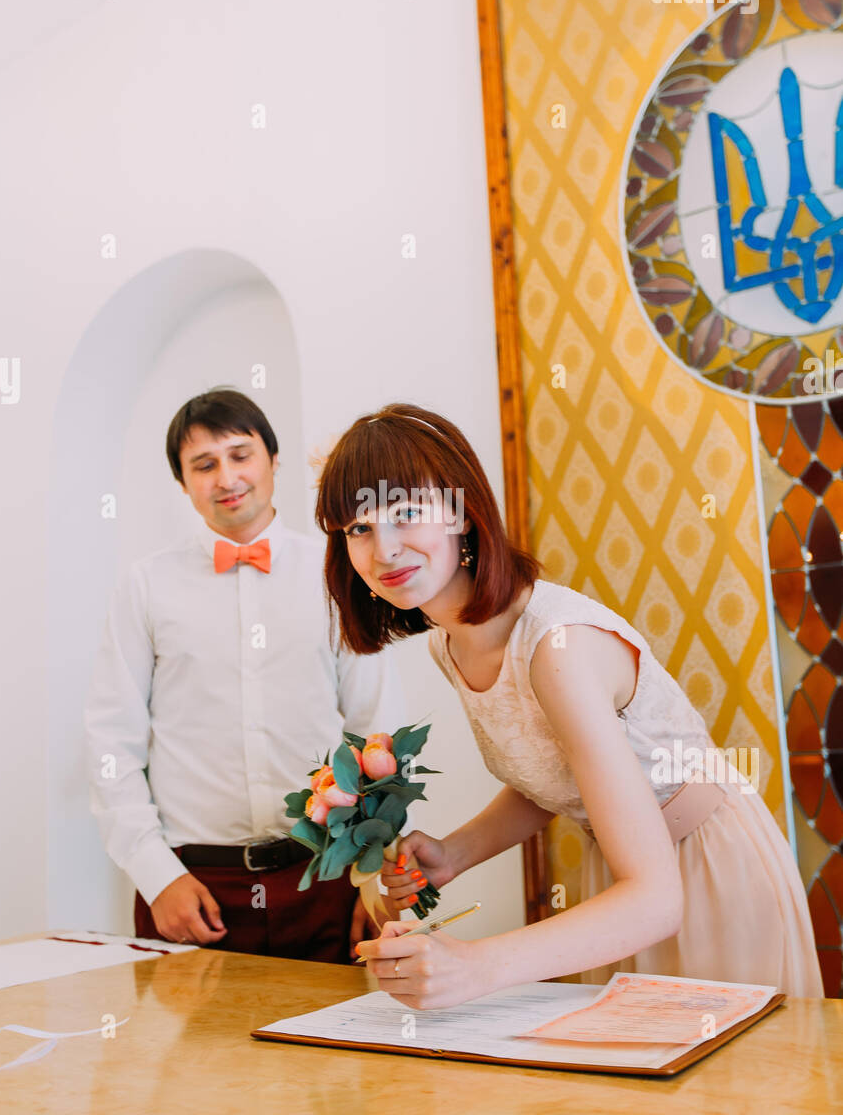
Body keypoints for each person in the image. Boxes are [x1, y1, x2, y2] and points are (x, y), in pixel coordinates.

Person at [313, 402, 824, 1006]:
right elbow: (554, 774)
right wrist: (455, 853)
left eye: (406, 514)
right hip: (619, 879)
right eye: (359, 529)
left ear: (463, 514)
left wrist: (476, 965)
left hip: (706, 870)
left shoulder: (558, 648)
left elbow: (657, 903)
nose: (384, 550)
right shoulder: (450, 647)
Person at [85, 387, 405, 963]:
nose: (226, 476)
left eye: (240, 454)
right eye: (203, 465)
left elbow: (374, 730)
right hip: (194, 886)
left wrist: (371, 873)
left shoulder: (340, 573)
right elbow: (112, 742)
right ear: (184, 485)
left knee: (332, 1052)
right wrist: (157, 877)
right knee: (185, 1057)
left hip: (324, 875)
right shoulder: (145, 585)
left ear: (274, 460)